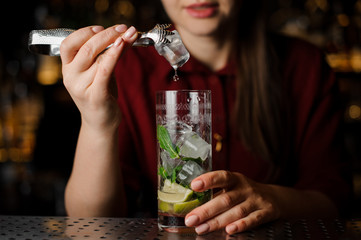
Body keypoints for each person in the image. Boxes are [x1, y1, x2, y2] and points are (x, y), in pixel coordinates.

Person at [60, 0, 352, 235]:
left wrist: (273, 199)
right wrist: (97, 121)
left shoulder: (305, 66)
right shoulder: (124, 70)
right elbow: (91, 223)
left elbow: (335, 202)